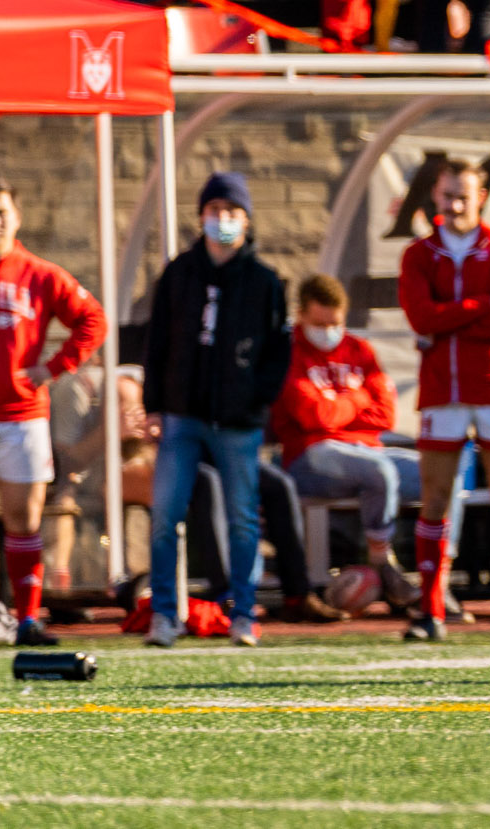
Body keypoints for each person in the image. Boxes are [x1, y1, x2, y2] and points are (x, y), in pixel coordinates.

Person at [397, 158, 490, 643]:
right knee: (436, 499)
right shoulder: (419, 256)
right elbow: (422, 318)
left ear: (481, 197)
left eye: (464, 195)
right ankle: (431, 611)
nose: (456, 205)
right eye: (447, 196)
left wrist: (451, 317)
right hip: (443, 390)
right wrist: (484, 306)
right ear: (435, 198)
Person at [142, 172, 290, 648]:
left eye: (232, 212)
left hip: (238, 421)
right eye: (214, 210)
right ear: (200, 215)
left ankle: (244, 613)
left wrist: (256, 399)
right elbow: (158, 342)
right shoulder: (179, 273)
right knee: (166, 513)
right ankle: (165, 614)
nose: (222, 220)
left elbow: (277, 351)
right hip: (182, 413)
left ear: (246, 220)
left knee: (242, 517)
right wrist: (154, 405)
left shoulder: (264, 281)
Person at [0, 180, 105, 646]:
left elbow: (92, 319)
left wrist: (55, 366)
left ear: (16, 218)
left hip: (22, 417)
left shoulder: (40, 274)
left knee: (24, 520)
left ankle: (26, 620)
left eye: (1, 212)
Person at [272, 274, 419, 613]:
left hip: (366, 451)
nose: (327, 331)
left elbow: (385, 415)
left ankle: (438, 579)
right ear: (301, 315)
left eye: (334, 323)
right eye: (319, 323)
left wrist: (341, 409)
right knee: (378, 470)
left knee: (444, 474)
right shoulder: (290, 352)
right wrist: (359, 399)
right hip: (310, 457)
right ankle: (384, 563)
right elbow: (315, 418)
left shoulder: (359, 349)